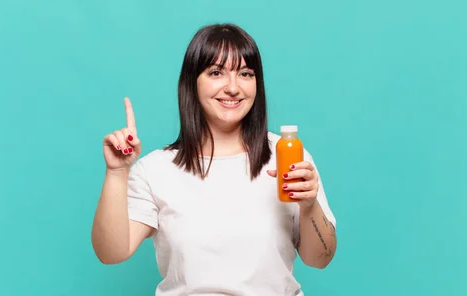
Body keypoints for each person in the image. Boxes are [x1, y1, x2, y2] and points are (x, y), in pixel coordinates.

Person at [91, 23, 337, 296]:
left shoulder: (287, 155)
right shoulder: (156, 169)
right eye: (216, 72)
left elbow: (320, 259)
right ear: (192, 82)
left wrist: (309, 205)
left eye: (245, 73)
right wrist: (116, 173)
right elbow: (111, 253)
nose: (233, 87)